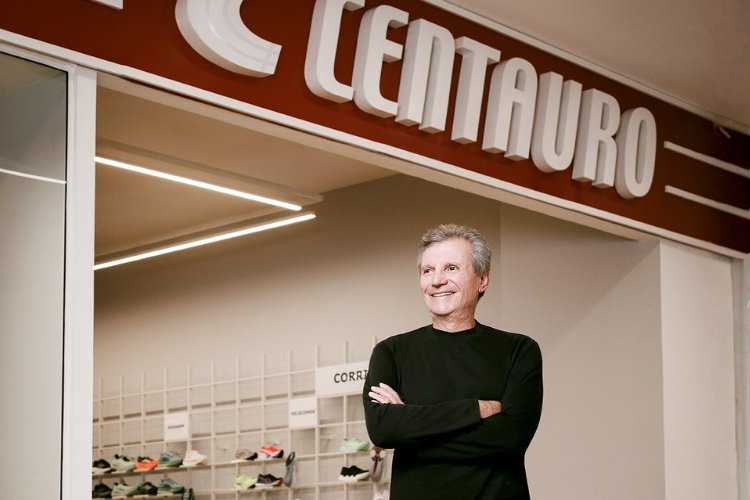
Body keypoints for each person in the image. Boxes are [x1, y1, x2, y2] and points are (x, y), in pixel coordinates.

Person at [363, 223, 543, 499]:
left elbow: (510, 438)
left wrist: (411, 428)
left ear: (482, 279)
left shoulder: (519, 350)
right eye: (428, 270)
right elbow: (383, 430)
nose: (437, 280)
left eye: (451, 268)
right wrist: (474, 409)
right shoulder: (390, 352)